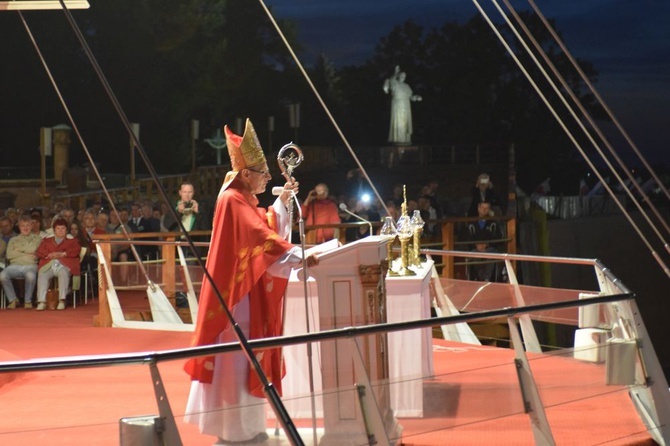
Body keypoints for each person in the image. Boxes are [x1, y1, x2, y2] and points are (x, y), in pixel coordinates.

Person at [183, 118, 318, 444]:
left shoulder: (242, 198)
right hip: (234, 298)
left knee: (245, 361)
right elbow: (258, 236)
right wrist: (297, 256)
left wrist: (282, 202)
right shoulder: (231, 199)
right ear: (246, 174)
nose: (269, 177)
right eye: (263, 173)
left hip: (243, 293)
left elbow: (263, 223)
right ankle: (235, 429)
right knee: (236, 363)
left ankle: (245, 427)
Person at [35, 218, 81, 310]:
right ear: (54, 230)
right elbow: (39, 252)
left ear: (66, 230)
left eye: (63, 228)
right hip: (49, 264)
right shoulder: (46, 241)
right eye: (58, 229)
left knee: (63, 273)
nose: (60, 231)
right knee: (42, 274)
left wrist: (63, 254)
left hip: (64, 264)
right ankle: (42, 301)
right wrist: (49, 254)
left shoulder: (72, 241)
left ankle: (62, 300)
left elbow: (76, 251)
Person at [0, 215, 41, 309]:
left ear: (31, 226)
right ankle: (13, 300)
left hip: (30, 265)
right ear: (19, 227)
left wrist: (18, 250)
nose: (25, 228)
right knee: (2, 275)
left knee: (30, 276)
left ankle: (28, 301)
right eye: (23, 226)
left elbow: (33, 248)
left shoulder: (38, 239)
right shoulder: (13, 239)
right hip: (14, 265)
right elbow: (9, 255)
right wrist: (27, 253)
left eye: (27, 225)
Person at [383, 65, 422, 145]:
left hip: (406, 105)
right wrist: (396, 73)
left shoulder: (406, 86)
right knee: (398, 122)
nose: (403, 77)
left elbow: (411, 97)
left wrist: (416, 97)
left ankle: (406, 140)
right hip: (397, 105)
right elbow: (391, 80)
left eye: (404, 76)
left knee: (405, 123)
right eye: (401, 76)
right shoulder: (395, 84)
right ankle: (398, 140)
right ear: (399, 76)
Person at [465, 201, 502, 282]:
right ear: (478, 209)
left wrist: (486, 245)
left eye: (487, 208)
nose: (484, 210)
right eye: (483, 208)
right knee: (475, 255)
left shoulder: (493, 223)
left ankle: (486, 278)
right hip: (475, 248)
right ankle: (480, 277)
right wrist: (476, 245)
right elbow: (466, 238)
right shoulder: (471, 222)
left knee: (491, 254)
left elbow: (498, 238)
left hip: (489, 248)